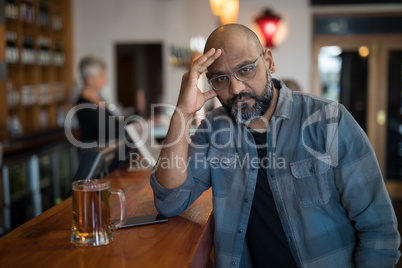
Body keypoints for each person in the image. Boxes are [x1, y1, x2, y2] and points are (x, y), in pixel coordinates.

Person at [150, 24, 400, 268]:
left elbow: (379, 231)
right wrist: (182, 112)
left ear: (268, 62)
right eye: (221, 78)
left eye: (246, 69)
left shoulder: (329, 120)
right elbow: (170, 202)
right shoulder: (215, 129)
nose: (236, 88)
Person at [75, 55, 122, 146]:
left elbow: (114, 122)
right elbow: (109, 130)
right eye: (102, 75)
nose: (105, 79)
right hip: (96, 155)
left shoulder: (100, 99)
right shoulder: (83, 105)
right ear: (89, 79)